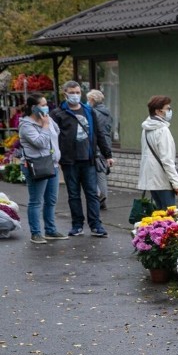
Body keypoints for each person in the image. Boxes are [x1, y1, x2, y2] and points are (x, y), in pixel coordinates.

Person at [50, 80, 112, 238]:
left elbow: (98, 133)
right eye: (72, 93)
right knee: (74, 194)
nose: (75, 95)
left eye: (78, 92)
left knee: (92, 193)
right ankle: (77, 225)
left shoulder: (89, 111)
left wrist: (108, 154)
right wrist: (55, 157)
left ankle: (96, 225)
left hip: (88, 159)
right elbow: (52, 137)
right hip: (69, 161)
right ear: (65, 93)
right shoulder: (58, 114)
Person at [18, 94, 67, 244]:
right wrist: (45, 127)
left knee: (51, 200)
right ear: (34, 107)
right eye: (43, 104)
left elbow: (56, 132)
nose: (46, 107)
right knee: (36, 201)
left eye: (47, 104)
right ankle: (36, 233)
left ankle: (50, 230)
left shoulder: (48, 118)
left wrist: (47, 125)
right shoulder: (26, 125)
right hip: (36, 166)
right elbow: (40, 143)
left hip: (52, 164)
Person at [138, 95, 178, 210]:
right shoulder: (163, 130)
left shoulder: (146, 129)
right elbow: (167, 159)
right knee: (169, 215)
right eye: (167, 108)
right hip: (163, 179)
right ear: (158, 111)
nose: (169, 111)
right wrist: (176, 183)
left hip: (151, 178)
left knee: (159, 214)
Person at [87, 89, 113, 210]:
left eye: (88, 100)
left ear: (92, 100)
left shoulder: (93, 113)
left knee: (98, 172)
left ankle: (101, 196)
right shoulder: (107, 112)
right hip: (106, 143)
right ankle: (102, 197)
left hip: (97, 145)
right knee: (102, 171)